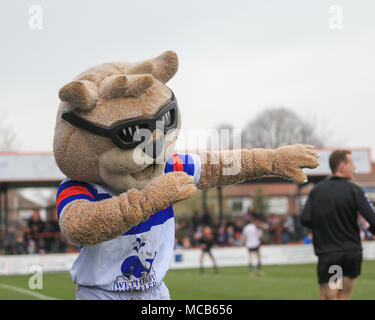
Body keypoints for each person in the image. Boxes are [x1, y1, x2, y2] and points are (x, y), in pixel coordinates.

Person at [301, 150, 375, 300]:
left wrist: (323, 227)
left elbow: (305, 219)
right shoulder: (355, 190)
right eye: (352, 164)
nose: (354, 168)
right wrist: (370, 230)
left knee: (329, 297)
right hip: (352, 253)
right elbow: (373, 219)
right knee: (343, 297)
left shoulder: (318, 190)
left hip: (331, 255)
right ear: (342, 167)